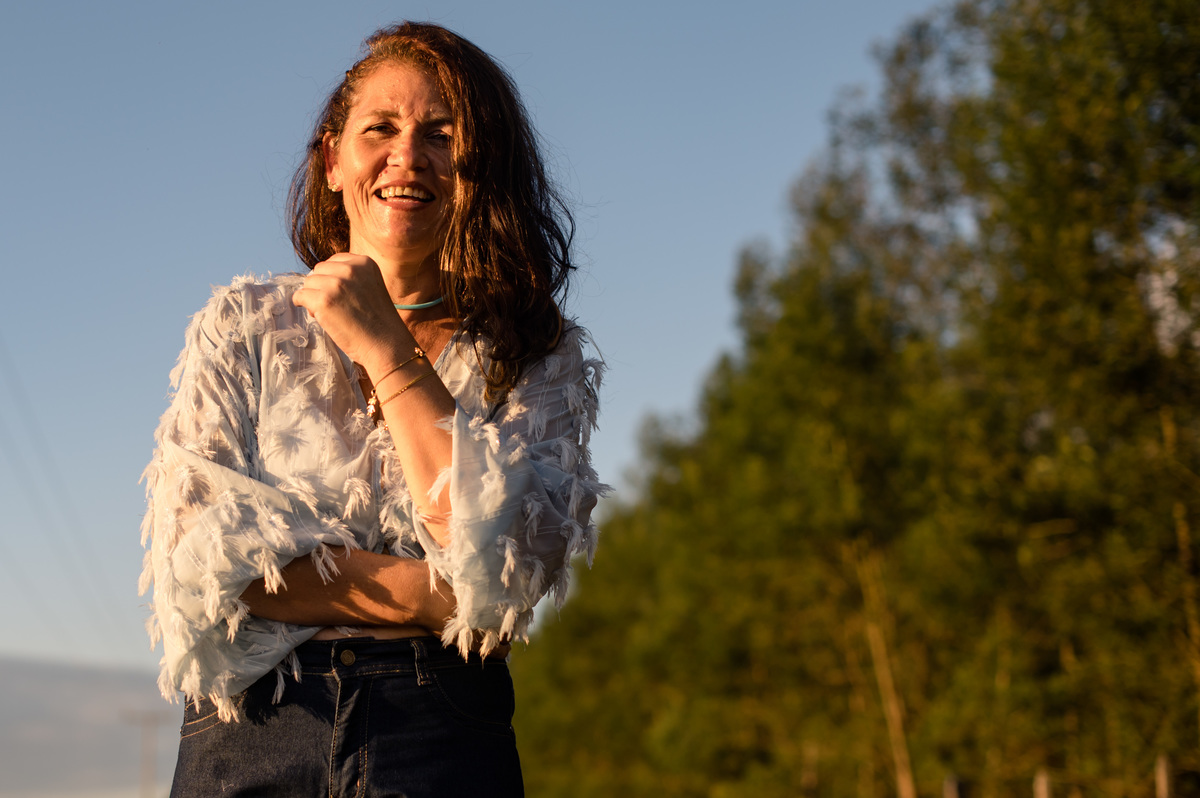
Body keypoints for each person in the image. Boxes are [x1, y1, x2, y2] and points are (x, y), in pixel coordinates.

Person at [139, 21, 605, 797]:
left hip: (442, 731)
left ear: (478, 166)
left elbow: (501, 575)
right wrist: (433, 593)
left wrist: (390, 351)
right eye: (379, 129)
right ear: (332, 160)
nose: (407, 156)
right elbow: (205, 562)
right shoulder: (245, 324)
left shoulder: (534, 352)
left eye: (441, 134)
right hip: (253, 727)